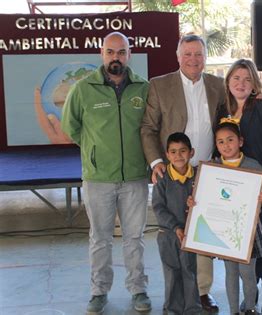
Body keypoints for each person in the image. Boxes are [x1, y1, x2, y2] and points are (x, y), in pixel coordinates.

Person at [61, 31, 151, 314]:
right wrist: (94, 150)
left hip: (135, 177)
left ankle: (138, 290)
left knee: (134, 238)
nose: (116, 58)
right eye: (111, 52)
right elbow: (71, 126)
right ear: (102, 54)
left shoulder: (143, 88)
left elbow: (151, 128)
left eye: (121, 52)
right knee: (99, 239)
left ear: (129, 55)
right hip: (98, 179)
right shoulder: (84, 88)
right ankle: (99, 292)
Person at [141, 34, 224, 313]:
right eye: (187, 54)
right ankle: (176, 295)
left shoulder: (217, 85)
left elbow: (230, 119)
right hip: (175, 171)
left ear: (205, 58)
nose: (193, 59)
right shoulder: (160, 85)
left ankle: (202, 292)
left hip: (207, 171)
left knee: (203, 232)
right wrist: (155, 163)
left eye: (198, 54)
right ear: (178, 57)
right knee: (177, 231)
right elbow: (149, 129)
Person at [216, 59, 262, 315]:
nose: (241, 83)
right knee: (239, 246)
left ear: (255, 83)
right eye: (236, 78)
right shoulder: (222, 108)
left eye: (247, 79)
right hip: (232, 191)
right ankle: (250, 297)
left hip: (261, 190)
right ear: (228, 81)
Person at [212, 121, 262, 315]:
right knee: (230, 273)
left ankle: (251, 308)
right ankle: (234, 311)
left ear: (240, 141)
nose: (226, 145)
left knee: (247, 273)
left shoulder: (253, 166)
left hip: (248, 230)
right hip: (226, 230)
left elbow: (261, 196)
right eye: (220, 142)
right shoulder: (212, 168)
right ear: (216, 145)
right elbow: (206, 197)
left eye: (230, 140)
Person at [152, 132, 202, 314]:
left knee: (189, 271)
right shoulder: (162, 178)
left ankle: (193, 309)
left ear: (192, 152)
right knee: (172, 272)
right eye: (173, 152)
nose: (178, 155)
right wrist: (175, 227)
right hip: (167, 235)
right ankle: (172, 309)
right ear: (167, 154)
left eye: (182, 151)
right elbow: (158, 207)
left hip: (190, 235)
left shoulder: (199, 176)